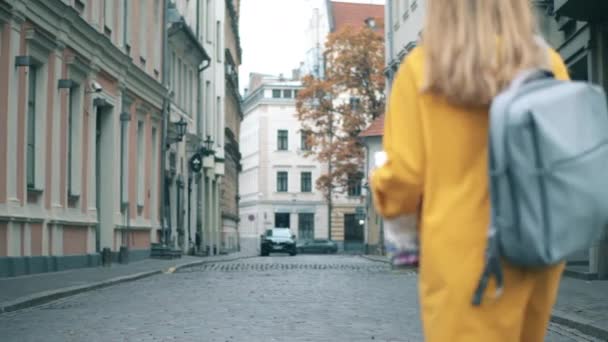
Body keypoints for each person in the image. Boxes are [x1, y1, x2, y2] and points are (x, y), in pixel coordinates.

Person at [370, 0, 570, 341]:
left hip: (461, 254)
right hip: (536, 248)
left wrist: (382, 187)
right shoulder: (547, 62)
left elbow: (403, 176)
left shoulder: (424, 68)